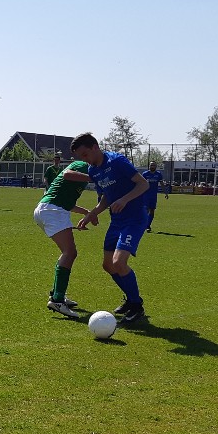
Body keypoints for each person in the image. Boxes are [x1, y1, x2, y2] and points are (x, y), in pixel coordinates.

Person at [74, 133, 150, 324]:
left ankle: (136, 306)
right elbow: (106, 197)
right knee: (108, 265)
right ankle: (130, 299)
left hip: (134, 219)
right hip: (116, 220)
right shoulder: (93, 170)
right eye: (80, 157)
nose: (84, 160)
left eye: (85, 154)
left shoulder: (117, 162)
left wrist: (125, 199)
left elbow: (143, 184)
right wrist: (92, 214)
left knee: (118, 262)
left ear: (95, 147)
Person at [34, 158, 96, 318]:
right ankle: (57, 300)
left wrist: (86, 212)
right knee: (69, 253)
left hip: (52, 209)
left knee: (67, 253)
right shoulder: (83, 165)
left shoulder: (82, 177)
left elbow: (68, 203)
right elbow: (68, 174)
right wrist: (93, 177)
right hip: (52, 211)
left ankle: (56, 293)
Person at [141, 161, 169, 232]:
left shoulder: (158, 174)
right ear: (149, 166)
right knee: (146, 210)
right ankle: (144, 225)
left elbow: (162, 184)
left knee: (152, 211)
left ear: (156, 166)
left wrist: (165, 193)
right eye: (151, 165)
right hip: (146, 195)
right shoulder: (145, 174)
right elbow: (140, 183)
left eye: (153, 165)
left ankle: (148, 225)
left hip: (154, 195)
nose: (152, 166)